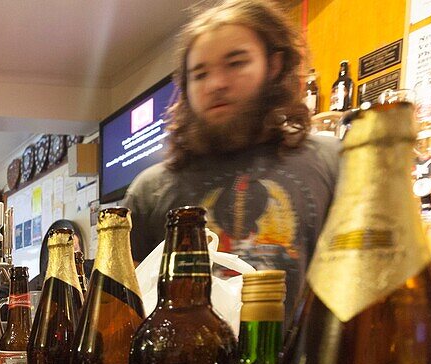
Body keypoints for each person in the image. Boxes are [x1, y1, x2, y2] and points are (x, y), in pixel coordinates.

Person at [122, 0, 341, 317]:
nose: (216, 84)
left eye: (236, 63)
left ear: (274, 64)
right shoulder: (150, 189)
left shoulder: (332, 163)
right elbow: (121, 313)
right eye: (200, 74)